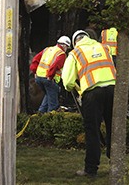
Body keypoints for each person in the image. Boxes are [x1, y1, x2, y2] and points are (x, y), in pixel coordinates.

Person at [62, 29, 116, 177]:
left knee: (92, 131)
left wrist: (77, 89)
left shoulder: (75, 53)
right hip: (113, 90)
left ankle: (91, 169)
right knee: (113, 127)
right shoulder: (104, 47)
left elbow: (67, 81)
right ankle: (116, 163)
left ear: (74, 42)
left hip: (92, 93)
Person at [29, 35, 71, 113]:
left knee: (48, 96)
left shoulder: (47, 49)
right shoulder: (61, 54)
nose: (66, 49)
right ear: (64, 45)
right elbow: (55, 65)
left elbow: (35, 60)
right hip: (48, 79)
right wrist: (50, 76)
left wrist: (35, 72)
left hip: (39, 78)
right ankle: (50, 118)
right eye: (67, 47)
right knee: (53, 102)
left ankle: (40, 114)